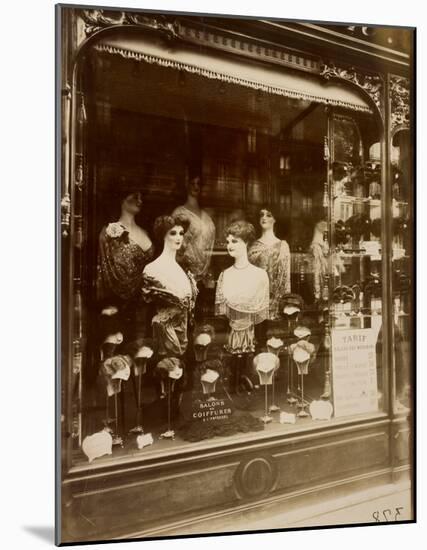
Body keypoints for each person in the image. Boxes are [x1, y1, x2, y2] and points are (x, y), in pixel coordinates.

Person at [96, 189, 154, 341]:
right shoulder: (109, 232)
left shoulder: (145, 232)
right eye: (135, 196)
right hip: (119, 302)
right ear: (122, 199)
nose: (139, 200)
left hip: (143, 301)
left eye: (141, 197)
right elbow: (106, 270)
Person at [142, 215, 198, 357]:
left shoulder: (182, 269)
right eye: (173, 233)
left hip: (185, 334)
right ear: (163, 236)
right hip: (165, 336)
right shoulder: (152, 269)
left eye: (181, 233)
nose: (178, 237)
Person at [215, 220, 269, 355]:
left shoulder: (260, 275)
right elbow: (222, 314)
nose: (229, 246)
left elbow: (262, 313)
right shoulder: (225, 275)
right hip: (230, 341)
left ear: (246, 243)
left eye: (234, 241)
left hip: (253, 342)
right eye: (228, 242)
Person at [248, 206, 291, 320]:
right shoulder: (253, 246)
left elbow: (286, 277)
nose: (264, 218)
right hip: (256, 299)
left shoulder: (282, 245)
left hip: (276, 301)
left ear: (275, 219)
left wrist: (287, 302)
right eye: (261, 215)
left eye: (268, 215)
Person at [172, 175, 216, 283]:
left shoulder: (207, 216)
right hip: (185, 273)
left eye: (199, 184)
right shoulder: (179, 213)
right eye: (193, 183)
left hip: (205, 274)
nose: (196, 187)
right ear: (187, 185)